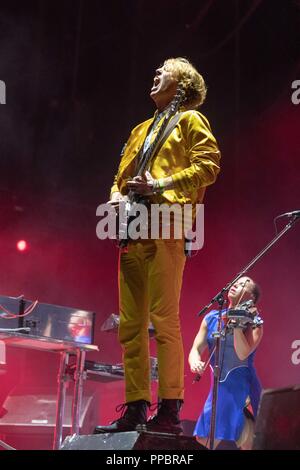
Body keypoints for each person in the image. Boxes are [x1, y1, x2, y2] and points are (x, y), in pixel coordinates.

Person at [96, 57, 221, 434]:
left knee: (163, 320)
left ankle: (169, 406)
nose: (154, 75)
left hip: (168, 224)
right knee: (131, 325)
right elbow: (120, 178)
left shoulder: (190, 120)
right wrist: (116, 196)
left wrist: (161, 186)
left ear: (182, 83)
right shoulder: (139, 130)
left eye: (162, 71)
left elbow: (209, 166)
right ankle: (135, 407)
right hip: (132, 228)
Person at [189, 276, 263, 449]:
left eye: (244, 284)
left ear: (251, 298)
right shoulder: (212, 318)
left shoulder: (255, 323)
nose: (237, 284)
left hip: (242, 386)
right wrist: (195, 361)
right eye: (236, 282)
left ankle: (246, 422)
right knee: (207, 437)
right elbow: (196, 349)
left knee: (208, 438)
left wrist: (236, 326)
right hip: (220, 386)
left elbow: (243, 353)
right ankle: (245, 425)